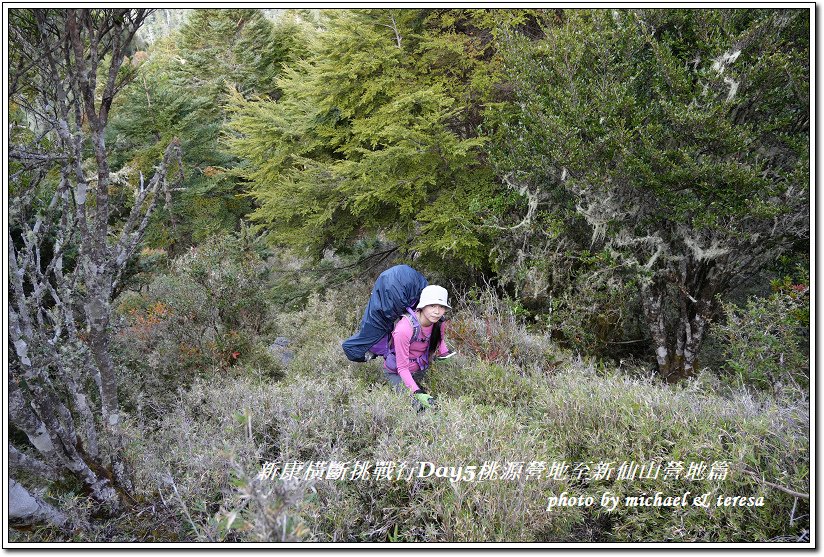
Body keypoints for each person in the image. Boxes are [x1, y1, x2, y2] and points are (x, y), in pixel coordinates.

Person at [383, 285, 455, 410]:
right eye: (432, 306)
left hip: (421, 369)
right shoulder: (404, 329)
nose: (437, 311)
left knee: (442, 401)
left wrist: (444, 352)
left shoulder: (439, 322)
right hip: (397, 373)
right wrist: (417, 392)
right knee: (418, 407)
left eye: (442, 307)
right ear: (422, 306)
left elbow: (439, 340)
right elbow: (402, 368)